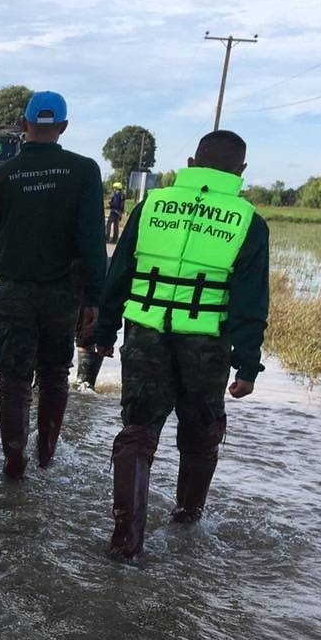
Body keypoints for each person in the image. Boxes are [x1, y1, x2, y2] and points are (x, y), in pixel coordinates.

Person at [93, 130, 268, 560]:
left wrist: (103, 331)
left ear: (191, 162)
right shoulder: (248, 220)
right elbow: (250, 301)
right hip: (206, 342)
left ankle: (125, 543)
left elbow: (120, 272)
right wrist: (247, 365)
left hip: (146, 332)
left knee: (138, 431)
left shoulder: (152, 205)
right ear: (241, 171)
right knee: (201, 435)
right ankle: (186, 525)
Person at [0, 91, 106, 479]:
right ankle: (46, 458)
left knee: (13, 380)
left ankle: (14, 464)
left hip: (13, 289)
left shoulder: (0, 176)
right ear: (62, 127)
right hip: (64, 292)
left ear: (24, 125)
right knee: (55, 373)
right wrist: (96, 295)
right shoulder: (84, 171)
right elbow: (92, 238)